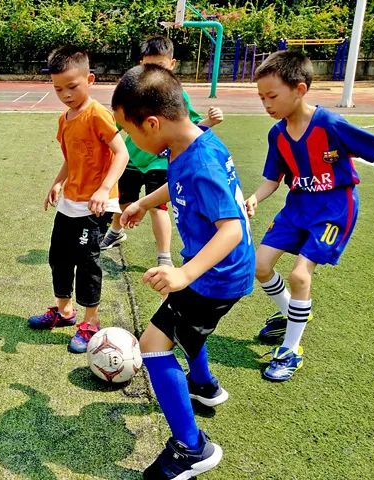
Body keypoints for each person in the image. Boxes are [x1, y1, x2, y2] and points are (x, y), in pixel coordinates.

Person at [115, 64, 254, 479]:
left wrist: (185, 274)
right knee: (185, 328)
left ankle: (192, 448)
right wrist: (143, 202)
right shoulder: (186, 144)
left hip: (216, 277)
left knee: (154, 344)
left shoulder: (202, 162)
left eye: (131, 131)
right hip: (216, 273)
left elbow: (231, 229)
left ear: (153, 123)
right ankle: (205, 387)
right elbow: (177, 184)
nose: (130, 140)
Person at [246, 51, 374, 381]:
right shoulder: (277, 135)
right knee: (260, 265)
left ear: (300, 89)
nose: (266, 104)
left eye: (272, 96)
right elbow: (273, 178)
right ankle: (292, 314)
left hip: (334, 210)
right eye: (261, 97)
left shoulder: (330, 124)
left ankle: (291, 349)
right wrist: (254, 197)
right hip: (297, 208)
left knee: (299, 275)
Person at [27, 45, 130, 354]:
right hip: (70, 200)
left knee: (87, 263)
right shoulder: (65, 119)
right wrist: (57, 183)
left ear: (90, 79)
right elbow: (71, 159)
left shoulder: (98, 114)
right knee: (58, 255)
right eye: (59, 88)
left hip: (95, 204)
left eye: (72, 86)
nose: (66, 94)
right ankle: (64, 311)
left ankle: (90, 322)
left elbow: (121, 153)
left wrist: (104, 188)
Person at [100, 35, 224, 268]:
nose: (154, 71)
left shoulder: (176, 96)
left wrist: (209, 120)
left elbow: (190, 130)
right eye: (148, 66)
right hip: (133, 159)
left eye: (160, 66)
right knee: (124, 201)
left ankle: (164, 257)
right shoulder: (133, 93)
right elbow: (114, 125)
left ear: (172, 64)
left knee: (158, 207)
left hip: (159, 162)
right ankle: (116, 231)